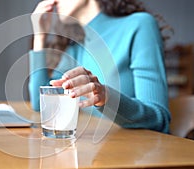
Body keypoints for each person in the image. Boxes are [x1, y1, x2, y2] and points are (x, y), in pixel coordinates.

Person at [29, 0, 171, 133]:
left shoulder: (140, 24)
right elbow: (41, 104)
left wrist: (106, 97)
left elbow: (159, 119)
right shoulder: (77, 45)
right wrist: (40, 37)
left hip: (139, 153)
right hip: (97, 152)